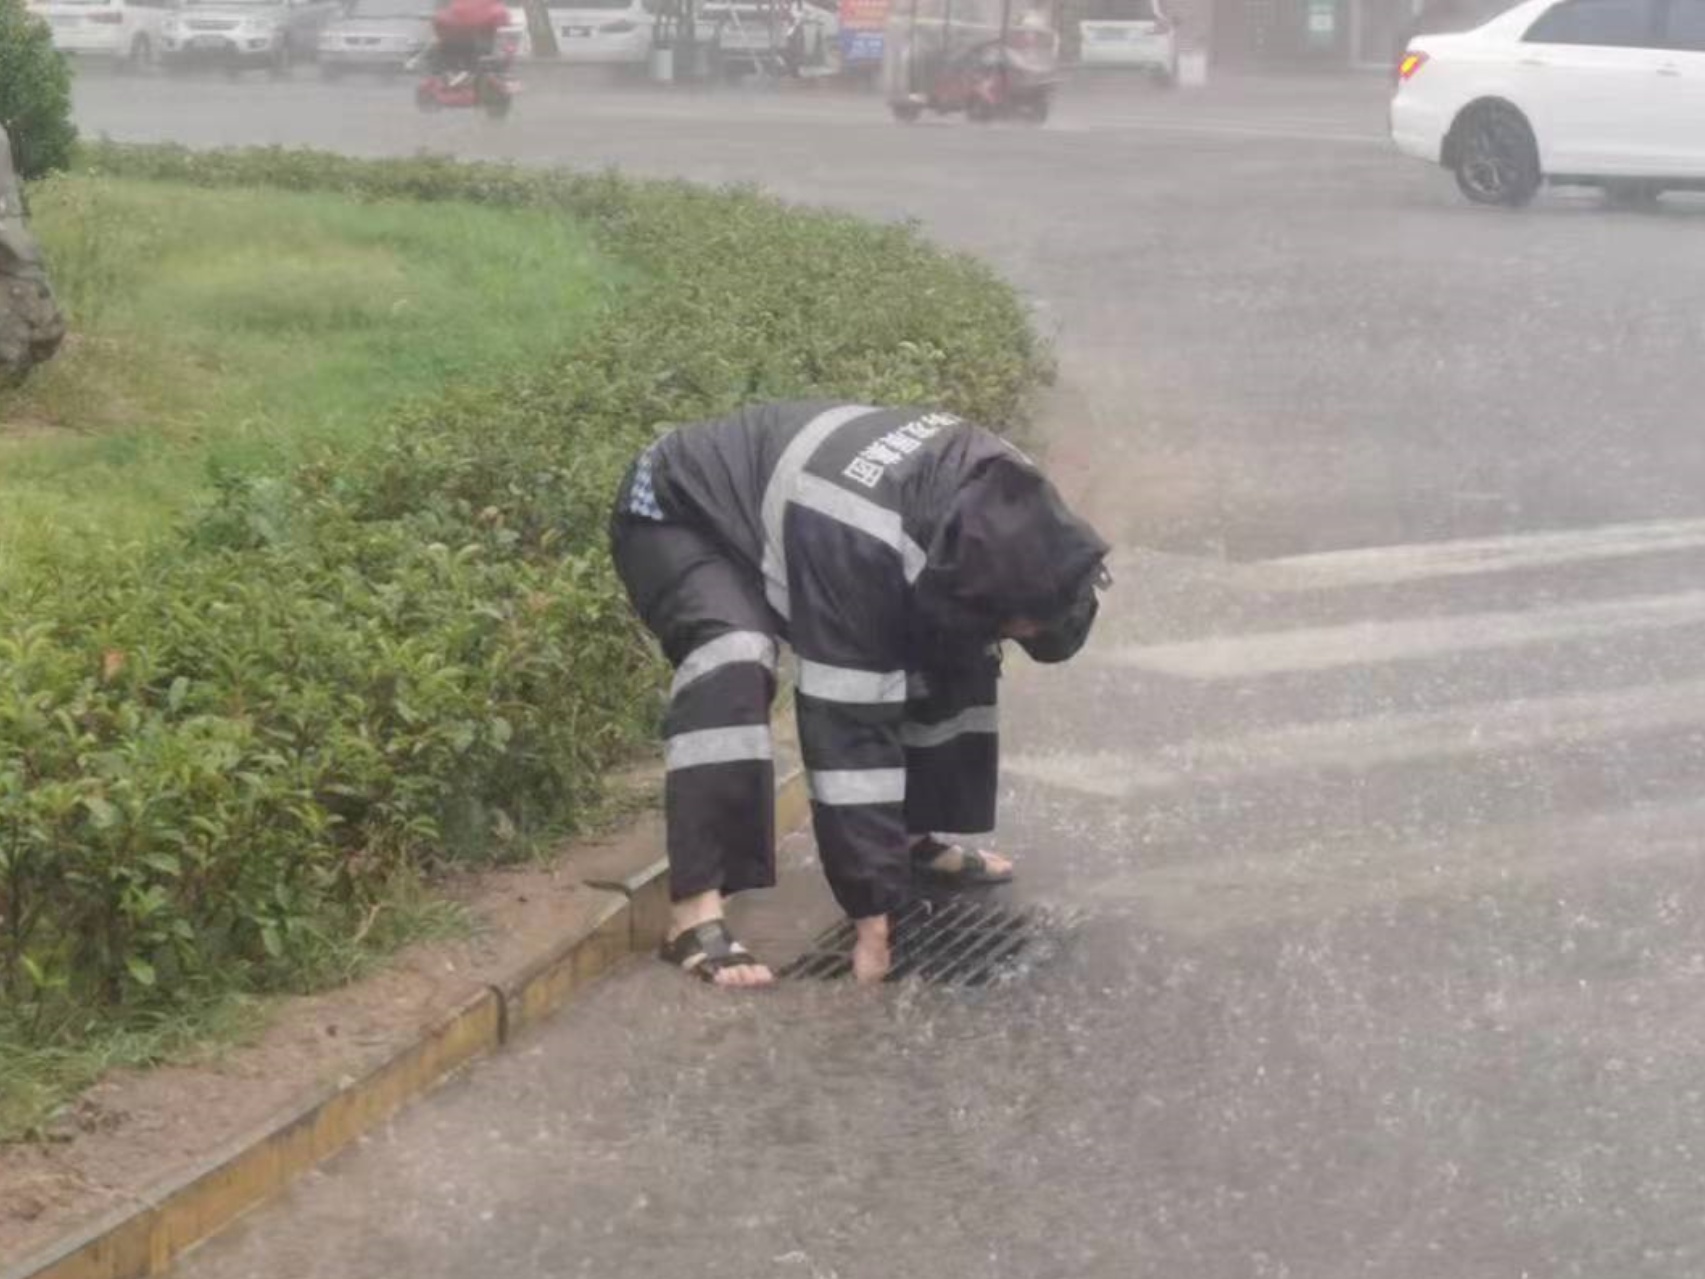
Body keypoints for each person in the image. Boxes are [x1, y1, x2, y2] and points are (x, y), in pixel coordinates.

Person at [608, 402, 1111, 988]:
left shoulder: (1015, 496)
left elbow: (1030, 612)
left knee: (954, 636)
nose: (1015, 636)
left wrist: (1011, 628)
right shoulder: (858, 537)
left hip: (795, 504)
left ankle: (909, 837)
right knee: (736, 654)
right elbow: (846, 728)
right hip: (677, 508)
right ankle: (693, 915)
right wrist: (871, 912)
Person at [428, 0, 511, 82]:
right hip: (477, 51)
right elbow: (504, 21)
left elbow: (445, 18)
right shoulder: (496, 10)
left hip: (463, 50)